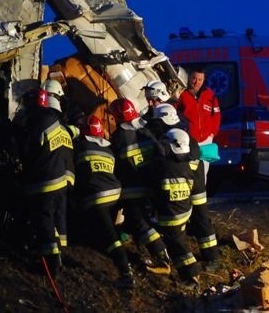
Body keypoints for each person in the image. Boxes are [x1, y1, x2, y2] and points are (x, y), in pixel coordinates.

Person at [149, 103, 219, 269]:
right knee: (199, 217)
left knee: (201, 217)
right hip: (191, 179)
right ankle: (208, 257)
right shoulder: (178, 132)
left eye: (157, 121)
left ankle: (211, 258)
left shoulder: (175, 136)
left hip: (193, 181)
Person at [108, 98, 170, 270]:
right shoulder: (145, 131)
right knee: (142, 219)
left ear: (120, 117)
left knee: (140, 222)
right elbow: (160, 152)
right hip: (151, 185)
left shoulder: (119, 137)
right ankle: (142, 248)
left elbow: (112, 162)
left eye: (114, 117)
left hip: (132, 188)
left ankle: (161, 254)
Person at [74, 115, 135, 288]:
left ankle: (126, 273)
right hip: (116, 194)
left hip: (98, 197)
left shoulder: (79, 146)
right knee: (111, 228)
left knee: (109, 237)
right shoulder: (108, 149)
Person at [19, 88, 75, 276]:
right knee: (57, 217)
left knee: (44, 218)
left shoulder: (35, 121)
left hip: (45, 179)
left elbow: (25, 149)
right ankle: (59, 253)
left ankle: (52, 266)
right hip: (61, 177)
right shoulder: (56, 121)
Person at [146, 128, 201, 289]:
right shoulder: (186, 165)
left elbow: (154, 189)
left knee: (178, 245)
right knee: (177, 241)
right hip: (184, 210)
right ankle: (182, 272)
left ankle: (192, 276)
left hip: (171, 214)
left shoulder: (162, 165)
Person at [176, 67, 221, 181]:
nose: (196, 82)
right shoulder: (181, 94)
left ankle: (202, 195)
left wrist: (212, 133)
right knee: (189, 169)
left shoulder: (210, 95)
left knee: (203, 171)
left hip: (206, 139)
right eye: (194, 78)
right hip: (189, 139)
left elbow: (216, 115)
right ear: (189, 78)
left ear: (204, 80)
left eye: (200, 79)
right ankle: (189, 196)